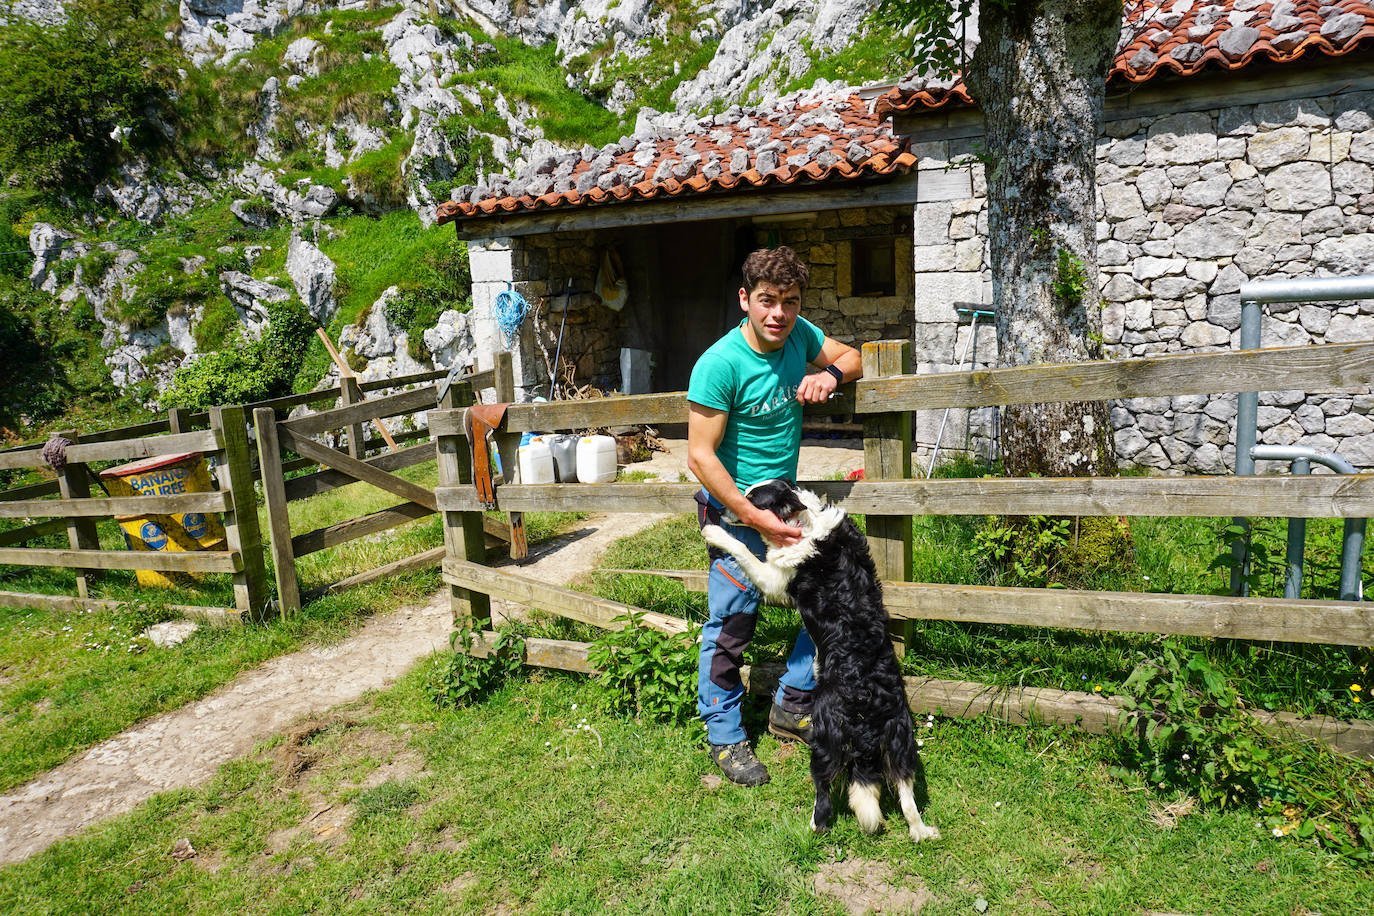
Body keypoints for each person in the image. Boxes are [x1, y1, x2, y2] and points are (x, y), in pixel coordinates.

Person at [686, 245, 863, 786]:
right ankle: (725, 735)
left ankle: (792, 704)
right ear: (745, 299)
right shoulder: (719, 364)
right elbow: (700, 455)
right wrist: (750, 519)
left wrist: (830, 375)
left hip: (784, 510)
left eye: (789, 302)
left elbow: (854, 355)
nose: (777, 314)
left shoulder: (800, 336)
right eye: (766, 301)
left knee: (827, 605)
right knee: (732, 625)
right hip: (736, 516)